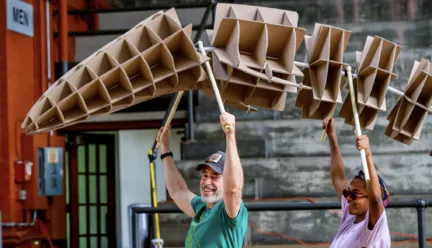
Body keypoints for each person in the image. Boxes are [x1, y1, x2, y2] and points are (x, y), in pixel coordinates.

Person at [157, 112, 248, 248]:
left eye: (215, 177)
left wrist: (230, 135)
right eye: (205, 175)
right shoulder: (202, 206)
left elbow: (233, 190)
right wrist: (165, 149)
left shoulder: (228, 210)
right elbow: (177, 190)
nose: (206, 182)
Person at [323, 117, 391, 248]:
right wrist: (332, 137)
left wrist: (367, 153)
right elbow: (339, 178)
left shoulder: (374, 226)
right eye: (348, 192)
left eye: (354, 194)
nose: (348, 198)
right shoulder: (350, 216)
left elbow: (376, 200)